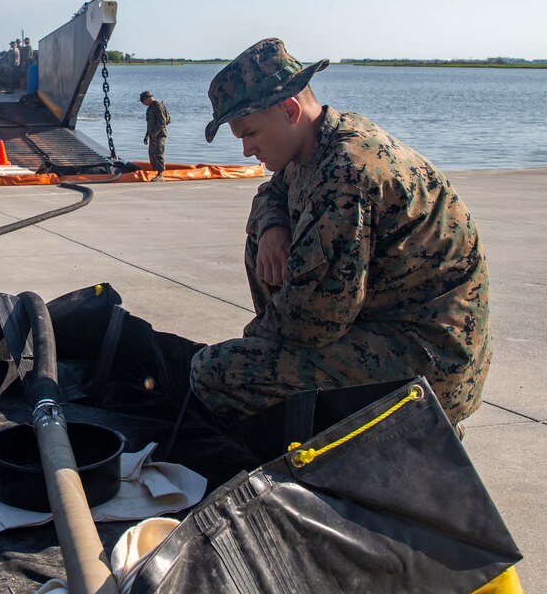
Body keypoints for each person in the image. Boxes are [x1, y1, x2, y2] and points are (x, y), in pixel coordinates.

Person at [190, 38, 491, 428]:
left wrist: (252, 343)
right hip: (396, 330)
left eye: (250, 134)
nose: (247, 150)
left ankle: (393, 435)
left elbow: (317, 317)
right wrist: (272, 227)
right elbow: (273, 190)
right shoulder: (322, 139)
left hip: (430, 365)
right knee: (260, 240)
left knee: (216, 372)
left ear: (289, 110)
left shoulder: (346, 174)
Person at [139, 91, 170, 181]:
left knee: (159, 153)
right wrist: (147, 136)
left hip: (159, 135)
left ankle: (160, 175)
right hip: (152, 135)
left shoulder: (158, 106)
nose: (143, 104)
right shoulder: (150, 108)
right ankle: (155, 171)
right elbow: (150, 124)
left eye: (143, 101)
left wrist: (155, 134)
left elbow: (162, 122)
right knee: (152, 154)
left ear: (148, 99)